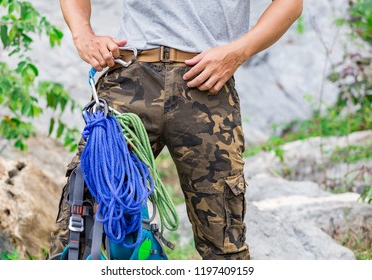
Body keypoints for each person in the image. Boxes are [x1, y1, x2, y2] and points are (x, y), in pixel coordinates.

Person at [49, 0, 303, 260]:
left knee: (225, 248)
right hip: (131, 79)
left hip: (208, 86)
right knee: (77, 227)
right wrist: (82, 34)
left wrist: (238, 52)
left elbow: (291, 4)